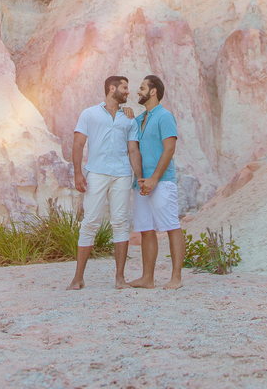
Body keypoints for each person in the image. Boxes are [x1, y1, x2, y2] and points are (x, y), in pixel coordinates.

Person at [67, 75, 136, 290]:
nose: (128, 92)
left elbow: (133, 149)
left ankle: (120, 279)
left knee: (121, 223)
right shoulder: (89, 114)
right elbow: (78, 145)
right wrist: (78, 174)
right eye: (124, 88)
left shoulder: (129, 118)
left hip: (122, 174)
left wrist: (138, 176)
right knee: (90, 222)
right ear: (112, 88)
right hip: (96, 173)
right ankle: (78, 278)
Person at [127, 74, 184, 290]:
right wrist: (142, 180)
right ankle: (147, 278)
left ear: (153, 92)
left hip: (161, 182)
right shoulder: (140, 119)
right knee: (146, 230)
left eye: (142, 88)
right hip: (141, 184)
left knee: (171, 226)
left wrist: (154, 179)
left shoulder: (165, 116)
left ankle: (176, 278)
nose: (137, 92)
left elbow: (169, 149)